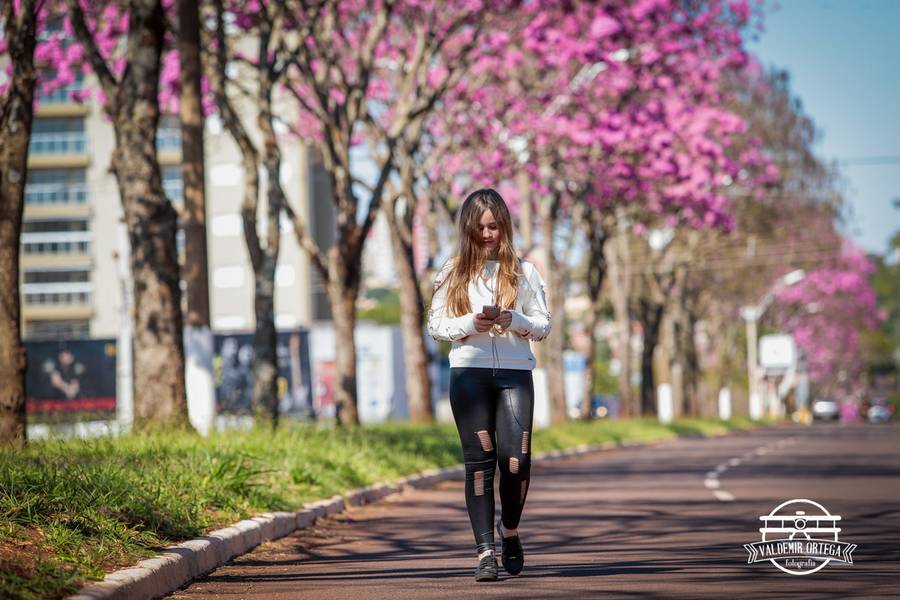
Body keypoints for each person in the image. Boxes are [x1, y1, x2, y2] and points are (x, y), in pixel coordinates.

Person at [427, 188, 551, 582]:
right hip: (469, 375)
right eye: (479, 227)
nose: (486, 234)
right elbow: (436, 326)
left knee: (516, 462)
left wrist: (515, 320)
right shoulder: (452, 272)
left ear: (505, 227)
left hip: (515, 375)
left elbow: (543, 325)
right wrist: (471, 324)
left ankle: (509, 530)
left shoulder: (525, 272)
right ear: (467, 229)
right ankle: (485, 552)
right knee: (479, 463)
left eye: (493, 226)